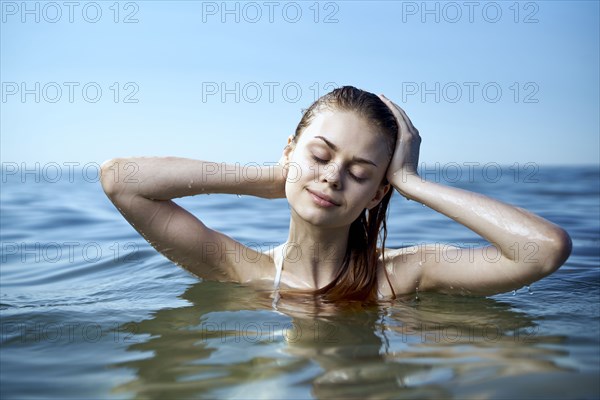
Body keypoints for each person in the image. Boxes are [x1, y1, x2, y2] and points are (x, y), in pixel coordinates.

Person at [100, 86, 572, 302]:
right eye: (320, 156)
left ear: (376, 192)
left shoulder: (401, 277)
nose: (332, 178)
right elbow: (121, 180)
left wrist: (411, 183)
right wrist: (280, 177)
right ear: (290, 150)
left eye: (361, 172)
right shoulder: (242, 271)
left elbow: (543, 251)